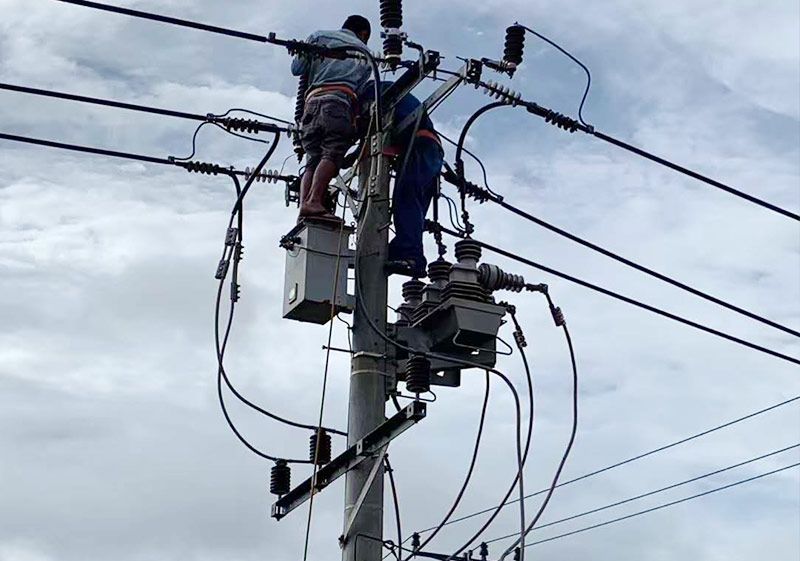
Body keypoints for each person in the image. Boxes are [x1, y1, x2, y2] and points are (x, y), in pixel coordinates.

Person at [290, 15, 372, 222]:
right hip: (338, 103)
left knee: (312, 160)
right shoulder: (366, 54)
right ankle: (314, 202)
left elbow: (296, 69)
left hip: (310, 107)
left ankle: (304, 207)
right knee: (332, 154)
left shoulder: (318, 36)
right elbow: (361, 93)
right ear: (363, 34)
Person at [362, 82, 444, 278]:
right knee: (411, 204)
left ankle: (410, 256)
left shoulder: (373, 94)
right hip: (427, 148)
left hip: (421, 146)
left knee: (406, 199)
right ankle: (402, 250)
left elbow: (370, 128)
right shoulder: (384, 91)